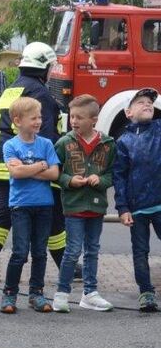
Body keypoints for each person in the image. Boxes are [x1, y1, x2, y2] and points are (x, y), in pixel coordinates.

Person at [0, 42, 67, 281]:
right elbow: (42, 134)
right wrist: (42, 167)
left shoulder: (12, 88)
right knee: (53, 209)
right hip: (28, 161)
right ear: (44, 67)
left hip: (3, 159)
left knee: (2, 212)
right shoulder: (40, 93)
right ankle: (68, 264)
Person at [52, 94, 115, 313]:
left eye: (79, 117)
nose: (74, 121)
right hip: (73, 206)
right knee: (72, 251)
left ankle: (90, 293)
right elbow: (55, 173)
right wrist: (69, 180)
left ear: (94, 119)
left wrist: (102, 180)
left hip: (96, 207)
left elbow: (111, 173)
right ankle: (62, 293)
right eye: (72, 116)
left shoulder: (108, 144)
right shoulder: (64, 143)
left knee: (92, 250)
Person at [0, 97, 60, 314]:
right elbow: (15, 173)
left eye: (40, 117)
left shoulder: (46, 144)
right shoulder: (10, 145)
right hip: (21, 206)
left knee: (40, 253)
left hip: (44, 205)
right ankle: (9, 293)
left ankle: (36, 293)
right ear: (18, 120)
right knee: (20, 252)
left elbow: (55, 173)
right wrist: (40, 165)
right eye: (33, 117)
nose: (38, 121)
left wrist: (29, 169)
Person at [113, 87, 161, 312]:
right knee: (140, 251)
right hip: (138, 208)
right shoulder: (123, 141)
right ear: (128, 112)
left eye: (150, 102)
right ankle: (146, 293)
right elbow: (119, 176)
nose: (147, 104)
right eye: (140, 102)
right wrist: (122, 208)